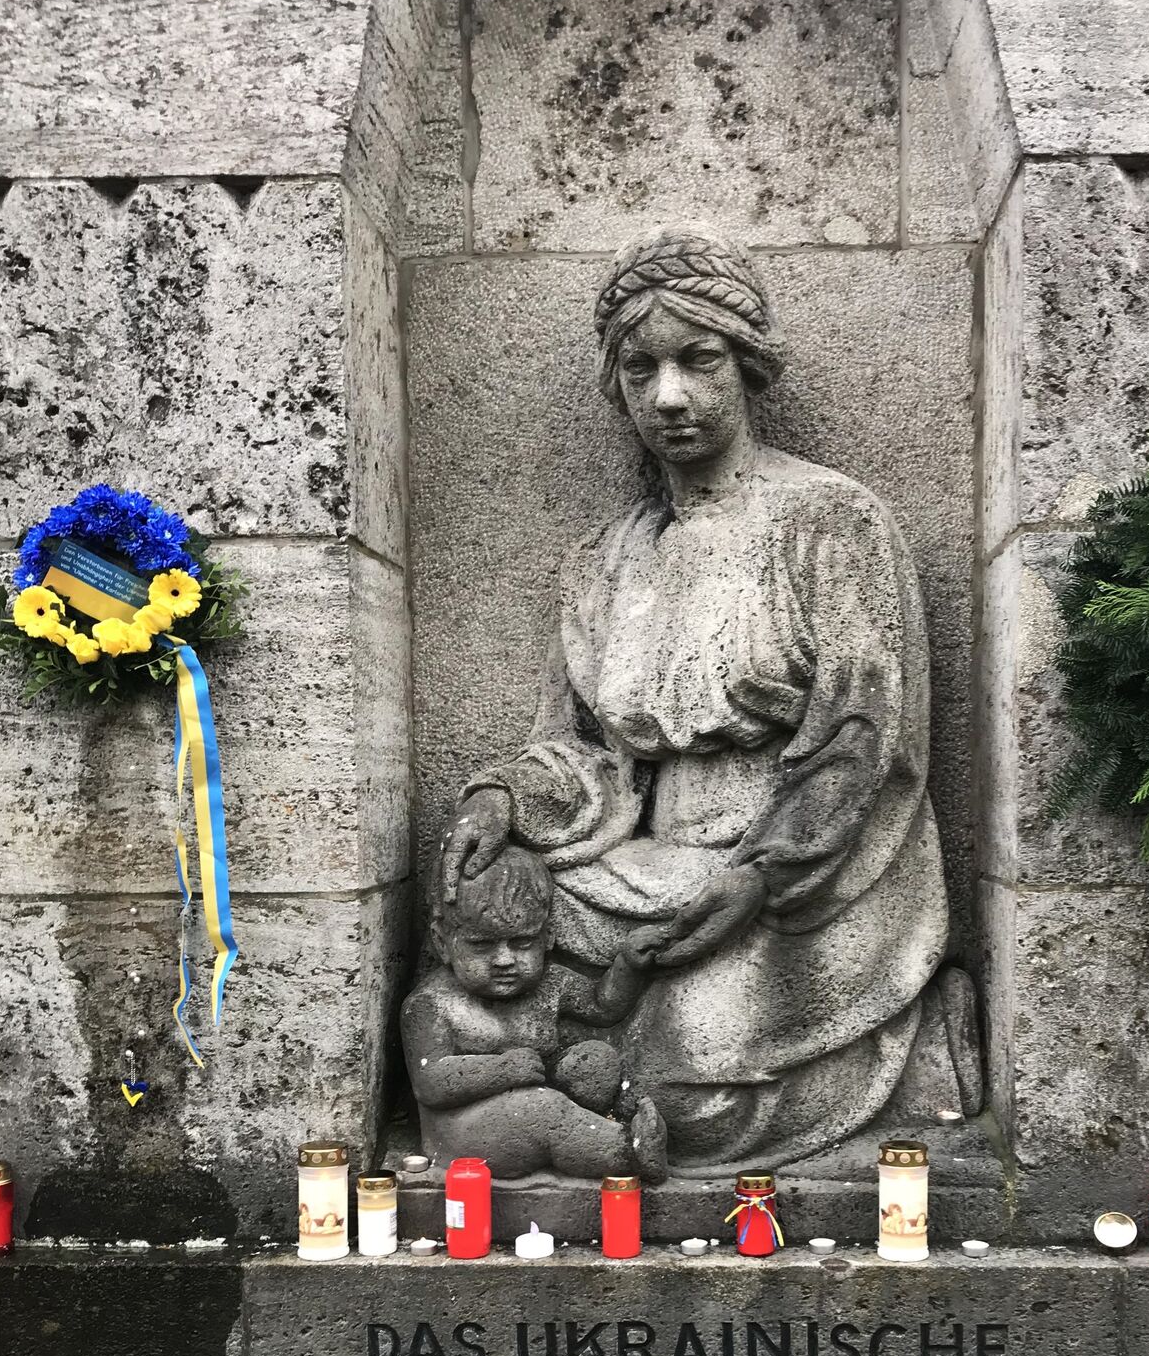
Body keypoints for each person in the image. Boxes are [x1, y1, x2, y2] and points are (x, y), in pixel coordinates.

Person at [438, 223, 951, 1173]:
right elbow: (584, 750)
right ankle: (556, 1086)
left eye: (698, 360)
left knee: (691, 1106)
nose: (668, 395)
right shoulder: (602, 560)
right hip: (646, 859)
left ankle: (912, 1030)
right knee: (494, 927)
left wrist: (757, 875)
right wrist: (503, 800)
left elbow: (864, 738)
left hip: (802, 869)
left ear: (748, 367)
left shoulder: (831, 521)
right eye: (641, 369)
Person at [402, 845, 668, 1181]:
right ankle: (628, 1151)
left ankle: (601, 1129)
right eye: (481, 945)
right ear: (443, 942)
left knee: (594, 1061)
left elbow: (602, 1007)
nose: (504, 960)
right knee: (542, 1111)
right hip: (463, 1130)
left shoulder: (550, 983)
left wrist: (628, 965)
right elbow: (430, 1083)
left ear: (548, 937)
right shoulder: (431, 1004)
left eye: (522, 943)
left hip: (537, 1099)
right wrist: (503, 1070)